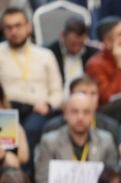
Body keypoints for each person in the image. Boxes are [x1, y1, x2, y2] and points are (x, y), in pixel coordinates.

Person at [35, 93, 119, 183]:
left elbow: (111, 182)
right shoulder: (49, 142)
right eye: (74, 112)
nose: (80, 117)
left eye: (86, 112)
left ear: (93, 115)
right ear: (65, 114)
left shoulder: (106, 141)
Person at [0, 7, 63, 151]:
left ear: (29, 27)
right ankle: (10, 172)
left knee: (31, 131)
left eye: (18, 26)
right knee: (7, 142)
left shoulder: (45, 55)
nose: (14, 31)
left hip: (37, 109)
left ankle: (27, 173)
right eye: (8, 27)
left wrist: (48, 104)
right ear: (3, 30)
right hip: (6, 109)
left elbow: (57, 92)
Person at [42, 76, 120, 144]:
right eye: (83, 93)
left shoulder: (110, 127)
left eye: (93, 94)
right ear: (71, 96)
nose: (88, 98)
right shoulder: (54, 127)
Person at [46, 16, 99, 95]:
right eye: (73, 44)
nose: (76, 48)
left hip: (86, 97)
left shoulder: (94, 54)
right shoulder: (49, 53)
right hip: (59, 97)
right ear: (62, 36)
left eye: (80, 44)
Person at [0, 84, 28, 169]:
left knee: (10, 159)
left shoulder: (10, 124)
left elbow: (24, 157)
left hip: (6, 171)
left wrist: (4, 154)